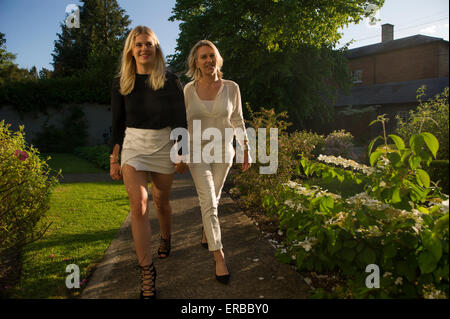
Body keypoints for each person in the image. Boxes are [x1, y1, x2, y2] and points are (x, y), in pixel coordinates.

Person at [109, 25, 186, 299]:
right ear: (131, 49)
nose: (144, 48)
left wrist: (182, 151)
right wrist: (114, 158)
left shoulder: (170, 80)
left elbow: (180, 120)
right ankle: (146, 270)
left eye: (149, 44)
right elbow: (117, 124)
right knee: (139, 204)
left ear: (156, 48)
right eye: (139, 44)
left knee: (161, 202)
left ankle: (166, 237)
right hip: (134, 147)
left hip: (163, 145)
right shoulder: (122, 82)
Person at [181, 40, 251, 284]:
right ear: (196, 63)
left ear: (217, 59)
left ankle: (206, 231)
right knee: (209, 201)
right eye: (203, 57)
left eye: (212, 55)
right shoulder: (188, 90)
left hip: (223, 152)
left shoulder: (232, 88)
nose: (208, 60)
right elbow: (184, 123)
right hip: (197, 153)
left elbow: (238, 119)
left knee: (215, 199)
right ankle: (219, 257)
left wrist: (246, 149)